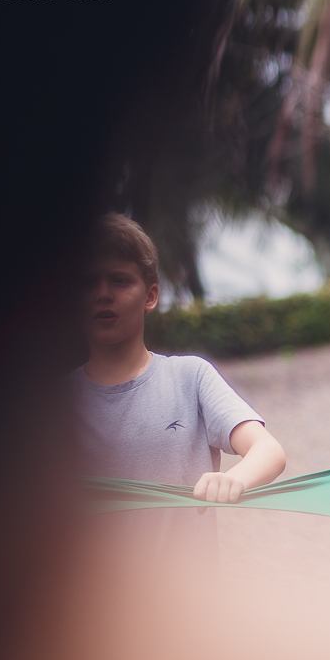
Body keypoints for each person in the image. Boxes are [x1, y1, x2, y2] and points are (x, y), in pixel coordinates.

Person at [71, 213, 287, 502]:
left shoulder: (190, 377)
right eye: (88, 283)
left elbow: (268, 450)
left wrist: (234, 479)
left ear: (151, 296)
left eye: (120, 281)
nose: (103, 294)